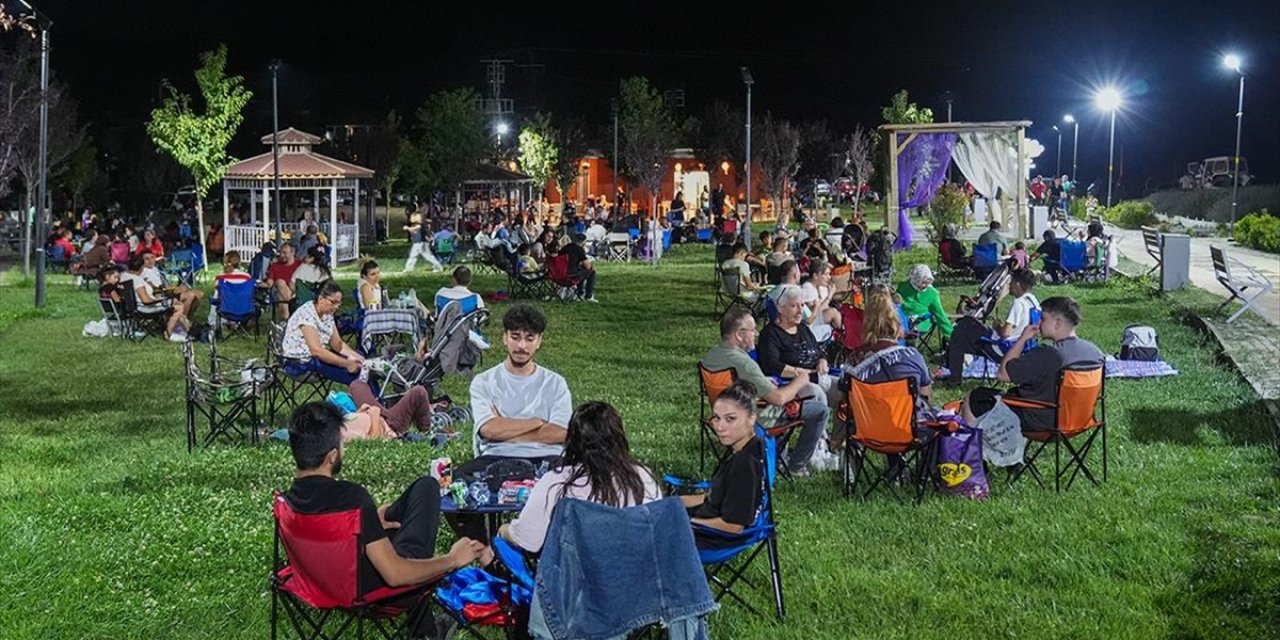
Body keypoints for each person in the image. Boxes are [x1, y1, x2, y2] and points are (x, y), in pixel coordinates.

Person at [282, 402, 489, 640]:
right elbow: (395, 575)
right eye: (341, 444)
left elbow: (328, 540)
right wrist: (451, 560)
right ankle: (427, 634)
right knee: (428, 487)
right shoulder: (351, 498)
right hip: (377, 592)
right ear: (332, 456)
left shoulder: (288, 501)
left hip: (321, 581)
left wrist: (368, 526)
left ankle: (426, 631)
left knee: (421, 490)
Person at [499, 402, 662, 553]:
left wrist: (504, 531)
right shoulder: (642, 477)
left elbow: (527, 541)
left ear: (572, 440)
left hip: (574, 581)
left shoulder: (556, 481)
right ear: (619, 436)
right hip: (635, 575)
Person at [702, 308, 829, 474]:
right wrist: (800, 380)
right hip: (756, 419)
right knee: (820, 410)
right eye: (752, 329)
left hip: (723, 416)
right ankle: (796, 467)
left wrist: (761, 382)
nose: (756, 334)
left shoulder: (712, 356)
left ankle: (777, 457)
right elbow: (778, 399)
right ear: (739, 335)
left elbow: (737, 386)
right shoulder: (744, 363)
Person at [459, 304, 571, 479]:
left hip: (547, 457)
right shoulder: (484, 381)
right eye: (515, 337)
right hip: (496, 456)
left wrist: (504, 429)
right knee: (456, 482)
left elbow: (560, 433)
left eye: (529, 338)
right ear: (505, 338)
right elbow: (488, 430)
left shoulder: (555, 383)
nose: (521, 345)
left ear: (539, 341)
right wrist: (538, 422)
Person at [960, 296, 1106, 431]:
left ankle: (970, 452)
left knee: (975, 397)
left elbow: (1002, 374)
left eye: (1043, 319)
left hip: (1040, 422)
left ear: (1058, 323)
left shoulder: (1048, 354)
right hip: (1079, 421)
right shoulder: (1096, 353)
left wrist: (1022, 339)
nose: (1038, 323)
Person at [757, 286, 834, 474]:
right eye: (794, 306)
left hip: (816, 375)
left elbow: (819, 351)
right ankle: (815, 450)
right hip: (790, 384)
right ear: (781, 308)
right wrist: (802, 373)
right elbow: (772, 366)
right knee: (816, 393)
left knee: (847, 389)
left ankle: (837, 442)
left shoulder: (803, 329)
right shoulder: (771, 334)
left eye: (802, 305)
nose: (801, 310)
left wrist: (822, 360)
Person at [682, 379, 764, 548]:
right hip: (704, 520)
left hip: (711, 537)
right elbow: (717, 497)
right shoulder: (746, 448)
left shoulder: (745, 463)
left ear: (751, 419)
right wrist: (673, 503)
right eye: (717, 418)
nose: (719, 427)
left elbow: (733, 526)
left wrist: (683, 522)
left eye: (730, 419)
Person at [943, 269, 1041, 385]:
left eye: (1011, 282)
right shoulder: (1033, 302)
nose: (1009, 285)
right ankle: (953, 370)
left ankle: (953, 375)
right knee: (960, 339)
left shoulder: (1019, 303)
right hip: (1023, 348)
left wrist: (997, 326)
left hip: (1003, 349)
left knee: (965, 324)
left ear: (1018, 284)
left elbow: (1006, 333)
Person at [281, 280, 365, 385]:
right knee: (355, 376)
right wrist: (346, 363)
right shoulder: (307, 315)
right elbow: (316, 351)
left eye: (339, 303)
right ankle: (368, 399)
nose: (336, 307)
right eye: (333, 302)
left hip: (316, 358)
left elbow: (338, 345)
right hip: (300, 363)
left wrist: (358, 358)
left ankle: (377, 400)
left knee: (362, 365)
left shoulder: (328, 313)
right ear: (321, 299)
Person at [122, 252, 191, 342]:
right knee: (180, 306)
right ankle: (169, 333)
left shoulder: (124, 276)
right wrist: (160, 300)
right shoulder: (137, 280)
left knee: (175, 302)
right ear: (142, 267)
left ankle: (184, 329)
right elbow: (146, 300)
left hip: (132, 307)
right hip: (144, 309)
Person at [342, 380, 438, 441]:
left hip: (370, 412)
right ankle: (427, 430)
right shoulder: (340, 435)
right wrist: (375, 414)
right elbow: (375, 440)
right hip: (389, 425)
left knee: (357, 385)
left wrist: (359, 412)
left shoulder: (332, 423)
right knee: (419, 392)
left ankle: (384, 407)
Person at [139, 249, 204, 323]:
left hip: (166, 292)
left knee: (199, 294)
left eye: (152, 257)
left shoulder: (154, 269)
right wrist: (173, 289)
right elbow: (155, 288)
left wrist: (177, 288)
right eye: (147, 259)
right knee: (190, 295)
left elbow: (164, 283)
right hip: (161, 297)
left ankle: (187, 319)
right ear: (142, 261)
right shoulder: (143, 272)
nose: (150, 261)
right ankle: (179, 324)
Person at [896, 264, 954, 341]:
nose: (926, 285)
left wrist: (951, 337)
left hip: (920, 322)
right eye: (923, 283)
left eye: (928, 282)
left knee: (908, 334)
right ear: (915, 280)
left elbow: (940, 315)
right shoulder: (903, 286)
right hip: (900, 319)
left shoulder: (932, 293)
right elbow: (894, 303)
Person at [798, 260, 843, 342]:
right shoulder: (807, 288)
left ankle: (844, 332)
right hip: (809, 322)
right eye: (826, 274)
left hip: (818, 317)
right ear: (815, 276)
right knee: (832, 312)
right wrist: (830, 296)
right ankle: (845, 334)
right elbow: (815, 312)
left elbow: (825, 305)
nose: (829, 277)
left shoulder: (821, 287)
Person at [266, 243, 303, 319]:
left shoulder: (300, 265)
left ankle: (286, 320)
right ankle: (293, 314)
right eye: (280, 252)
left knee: (283, 294)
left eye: (285, 253)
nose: (282, 255)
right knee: (280, 284)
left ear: (292, 252)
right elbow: (269, 283)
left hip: (297, 292)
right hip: (280, 293)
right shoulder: (275, 265)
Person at [561, 233, 598, 303]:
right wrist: (591, 265)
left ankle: (579, 292)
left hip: (560, 273)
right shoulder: (579, 250)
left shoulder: (565, 247)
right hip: (571, 275)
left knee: (580, 270)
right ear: (583, 242)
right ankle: (588, 296)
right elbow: (588, 267)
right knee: (591, 272)